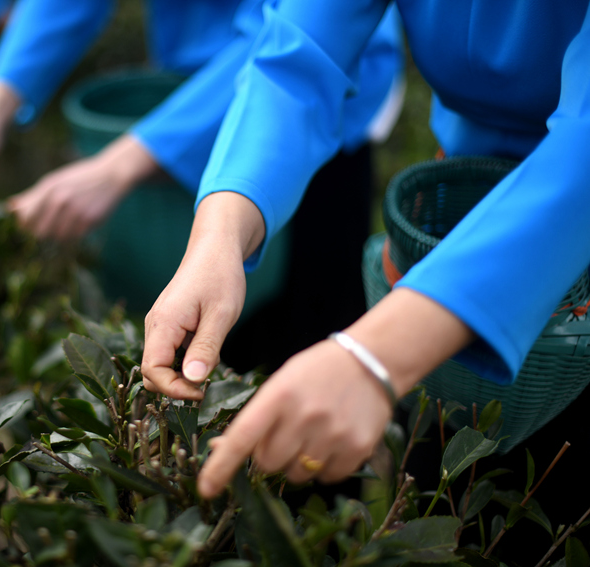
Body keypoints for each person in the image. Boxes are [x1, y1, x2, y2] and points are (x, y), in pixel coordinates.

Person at [140, 0, 590, 528]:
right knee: (449, 511)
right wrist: (218, 234)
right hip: (461, 221)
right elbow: (299, 59)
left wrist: (371, 359)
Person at [0, 0, 404, 244]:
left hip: (313, 121)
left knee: (295, 339)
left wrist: (116, 167)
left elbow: (297, 45)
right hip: (192, 93)